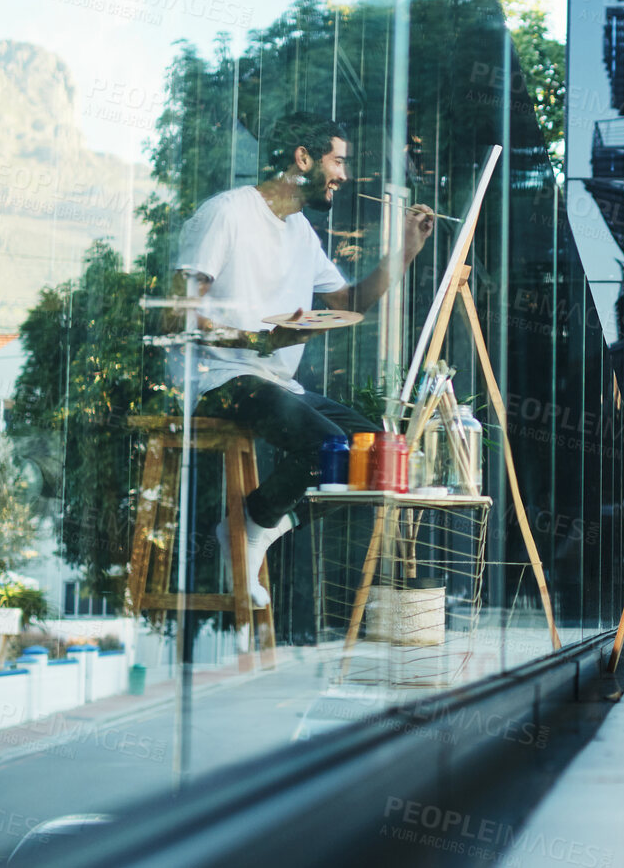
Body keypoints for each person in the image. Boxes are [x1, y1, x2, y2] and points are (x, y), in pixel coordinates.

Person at [169, 112, 435, 606]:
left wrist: (405, 251)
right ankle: (249, 528)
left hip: (269, 378)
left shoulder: (300, 232)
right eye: (338, 162)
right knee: (328, 446)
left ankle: (255, 527)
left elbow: (349, 305)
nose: (344, 176)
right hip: (213, 377)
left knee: (374, 453)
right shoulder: (227, 214)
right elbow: (178, 313)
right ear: (303, 159)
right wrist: (255, 339)